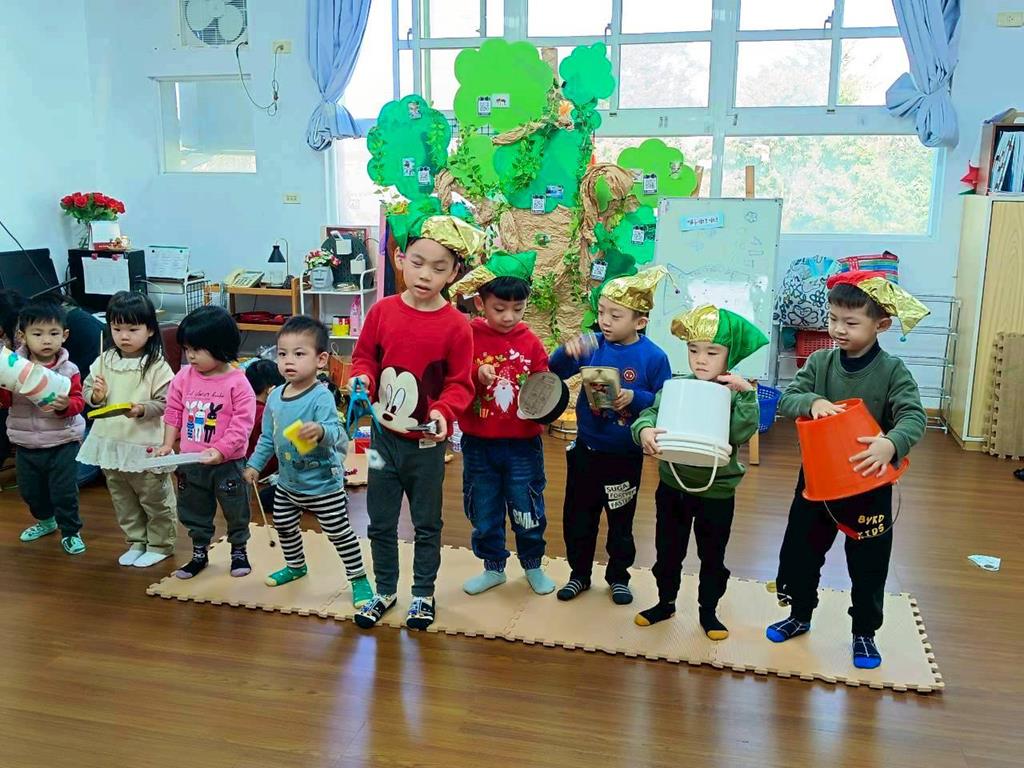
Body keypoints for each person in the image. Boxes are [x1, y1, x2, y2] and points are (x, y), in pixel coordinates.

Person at [767, 270, 929, 670]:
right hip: (818, 482)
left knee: (869, 564)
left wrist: (891, 443)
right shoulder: (820, 362)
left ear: (881, 325)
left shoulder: (892, 371)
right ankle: (799, 614)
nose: (838, 329)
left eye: (851, 323)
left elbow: (913, 416)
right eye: (833, 318)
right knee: (802, 552)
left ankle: (864, 633)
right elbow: (789, 398)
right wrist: (812, 402)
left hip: (868, 484)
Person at [349, 198, 479, 630]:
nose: (425, 275)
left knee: (427, 523)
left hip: (426, 446)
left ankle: (423, 594)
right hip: (381, 441)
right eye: (418, 262)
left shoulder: (457, 326)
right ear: (400, 259)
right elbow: (365, 357)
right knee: (380, 521)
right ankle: (385, 590)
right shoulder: (382, 311)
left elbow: (461, 383)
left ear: (454, 273)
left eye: (439, 268)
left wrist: (444, 411)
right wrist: (362, 378)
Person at [633, 305, 768, 640]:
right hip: (673, 486)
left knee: (712, 558)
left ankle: (708, 611)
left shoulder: (735, 393)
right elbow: (650, 414)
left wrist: (747, 396)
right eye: (693, 350)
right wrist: (644, 430)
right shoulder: (676, 388)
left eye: (712, 352)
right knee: (667, 553)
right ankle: (665, 602)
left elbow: (739, 433)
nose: (701, 360)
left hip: (717, 491)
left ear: (730, 354)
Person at [548, 267, 673, 605]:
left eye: (615, 316)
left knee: (620, 522)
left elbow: (665, 402)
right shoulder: (593, 345)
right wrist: (567, 351)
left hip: (625, 456)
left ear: (640, 321)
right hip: (586, 450)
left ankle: (619, 576)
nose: (605, 321)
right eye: (602, 312)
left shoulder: (654, 357)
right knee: (578, 519)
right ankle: (579, 574)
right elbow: (555, 370)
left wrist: (635, 397)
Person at [243, 316, 373, 606]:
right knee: (284, 525)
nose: (288, 361)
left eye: (299, 354)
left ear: (321, 360)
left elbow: (338, 435)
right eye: (282, 354)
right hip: (288, 484)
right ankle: (296, 565)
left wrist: (320, 431)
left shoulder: (321, 396)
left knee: (339, 533)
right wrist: (254, 465)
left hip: (323, 484)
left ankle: (358, 578)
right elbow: (267, 437)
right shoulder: (275, 397)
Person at [448, 250, 555, 596]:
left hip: (523, 444)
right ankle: (493, 567)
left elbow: (544, 384)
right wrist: (476, 373)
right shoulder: (468, 335)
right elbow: (454, 376)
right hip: (479, 442)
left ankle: (532, 564)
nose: (509, 316)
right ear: (481, 303)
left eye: (518, 309)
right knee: (484, 507)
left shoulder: (531, 341)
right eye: (499, 308)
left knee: (527, 505)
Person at [156, 305, 256, 580]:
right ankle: (199, 553)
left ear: (220, 346)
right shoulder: (183, 377)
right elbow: (173, 411)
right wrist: (167, 444)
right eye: (187, 349)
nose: (190, 356)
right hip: (191, 461)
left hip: (228, 464)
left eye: (197, 349)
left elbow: (242, 425)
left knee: (236, 509)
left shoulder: (238, 382)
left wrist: (220, 451)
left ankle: (239, 550)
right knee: (193, 509)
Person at [79, 292, 177, 567]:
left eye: (133, 329)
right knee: (123, 499)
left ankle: (160, 544)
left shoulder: (156, 364)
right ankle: (136, 541)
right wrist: (95, 395)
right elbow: (88, 391)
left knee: (154, 497)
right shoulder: (104, 359)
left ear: (150, 330)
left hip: (144, 442)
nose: (124, 336)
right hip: (110, 442)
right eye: (117, 328)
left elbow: (167, 402)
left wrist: (142, 409)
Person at [2, 299, 87, 554]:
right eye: (37, 334)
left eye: (53, 333)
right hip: (25, 443)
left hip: (63, 441)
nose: (46, 340)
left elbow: (79, 401)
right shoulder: (12, 366)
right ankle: (46, 521)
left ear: (64, 335)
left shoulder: (69, 370)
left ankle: (71, 531)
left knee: (64, 492)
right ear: (22, 336)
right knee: (31, 492)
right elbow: (5, 401)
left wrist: (66, 405)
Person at [244, 358, 284, 513]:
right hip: (264, 473)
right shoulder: (267, 414)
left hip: (247, 470)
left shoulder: (243, 408)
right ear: (271, 389)